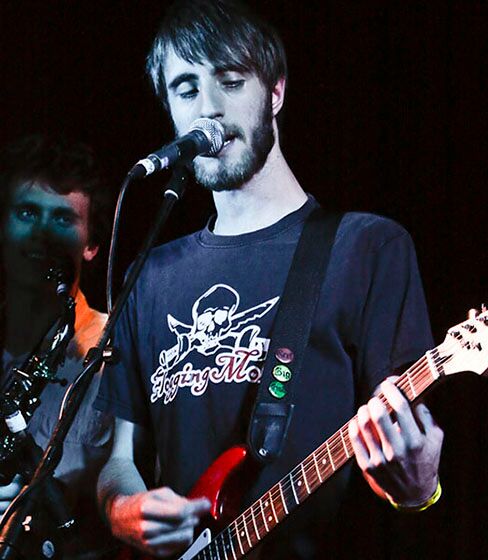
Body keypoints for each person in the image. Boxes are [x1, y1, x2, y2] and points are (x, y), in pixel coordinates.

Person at [95, 1, 444, 558]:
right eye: (186, 89)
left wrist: (419, 486)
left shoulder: (366, 247)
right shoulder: (150, 274)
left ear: (275, 92)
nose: (208, 109)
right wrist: (123, 510)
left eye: (231, 82)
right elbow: (119, 461)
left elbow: (402, 448)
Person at [0, 134, 117, 558]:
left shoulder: (115, 353)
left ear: (92, 245)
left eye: (63, 219)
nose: (43, 234)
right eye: (27, 212)